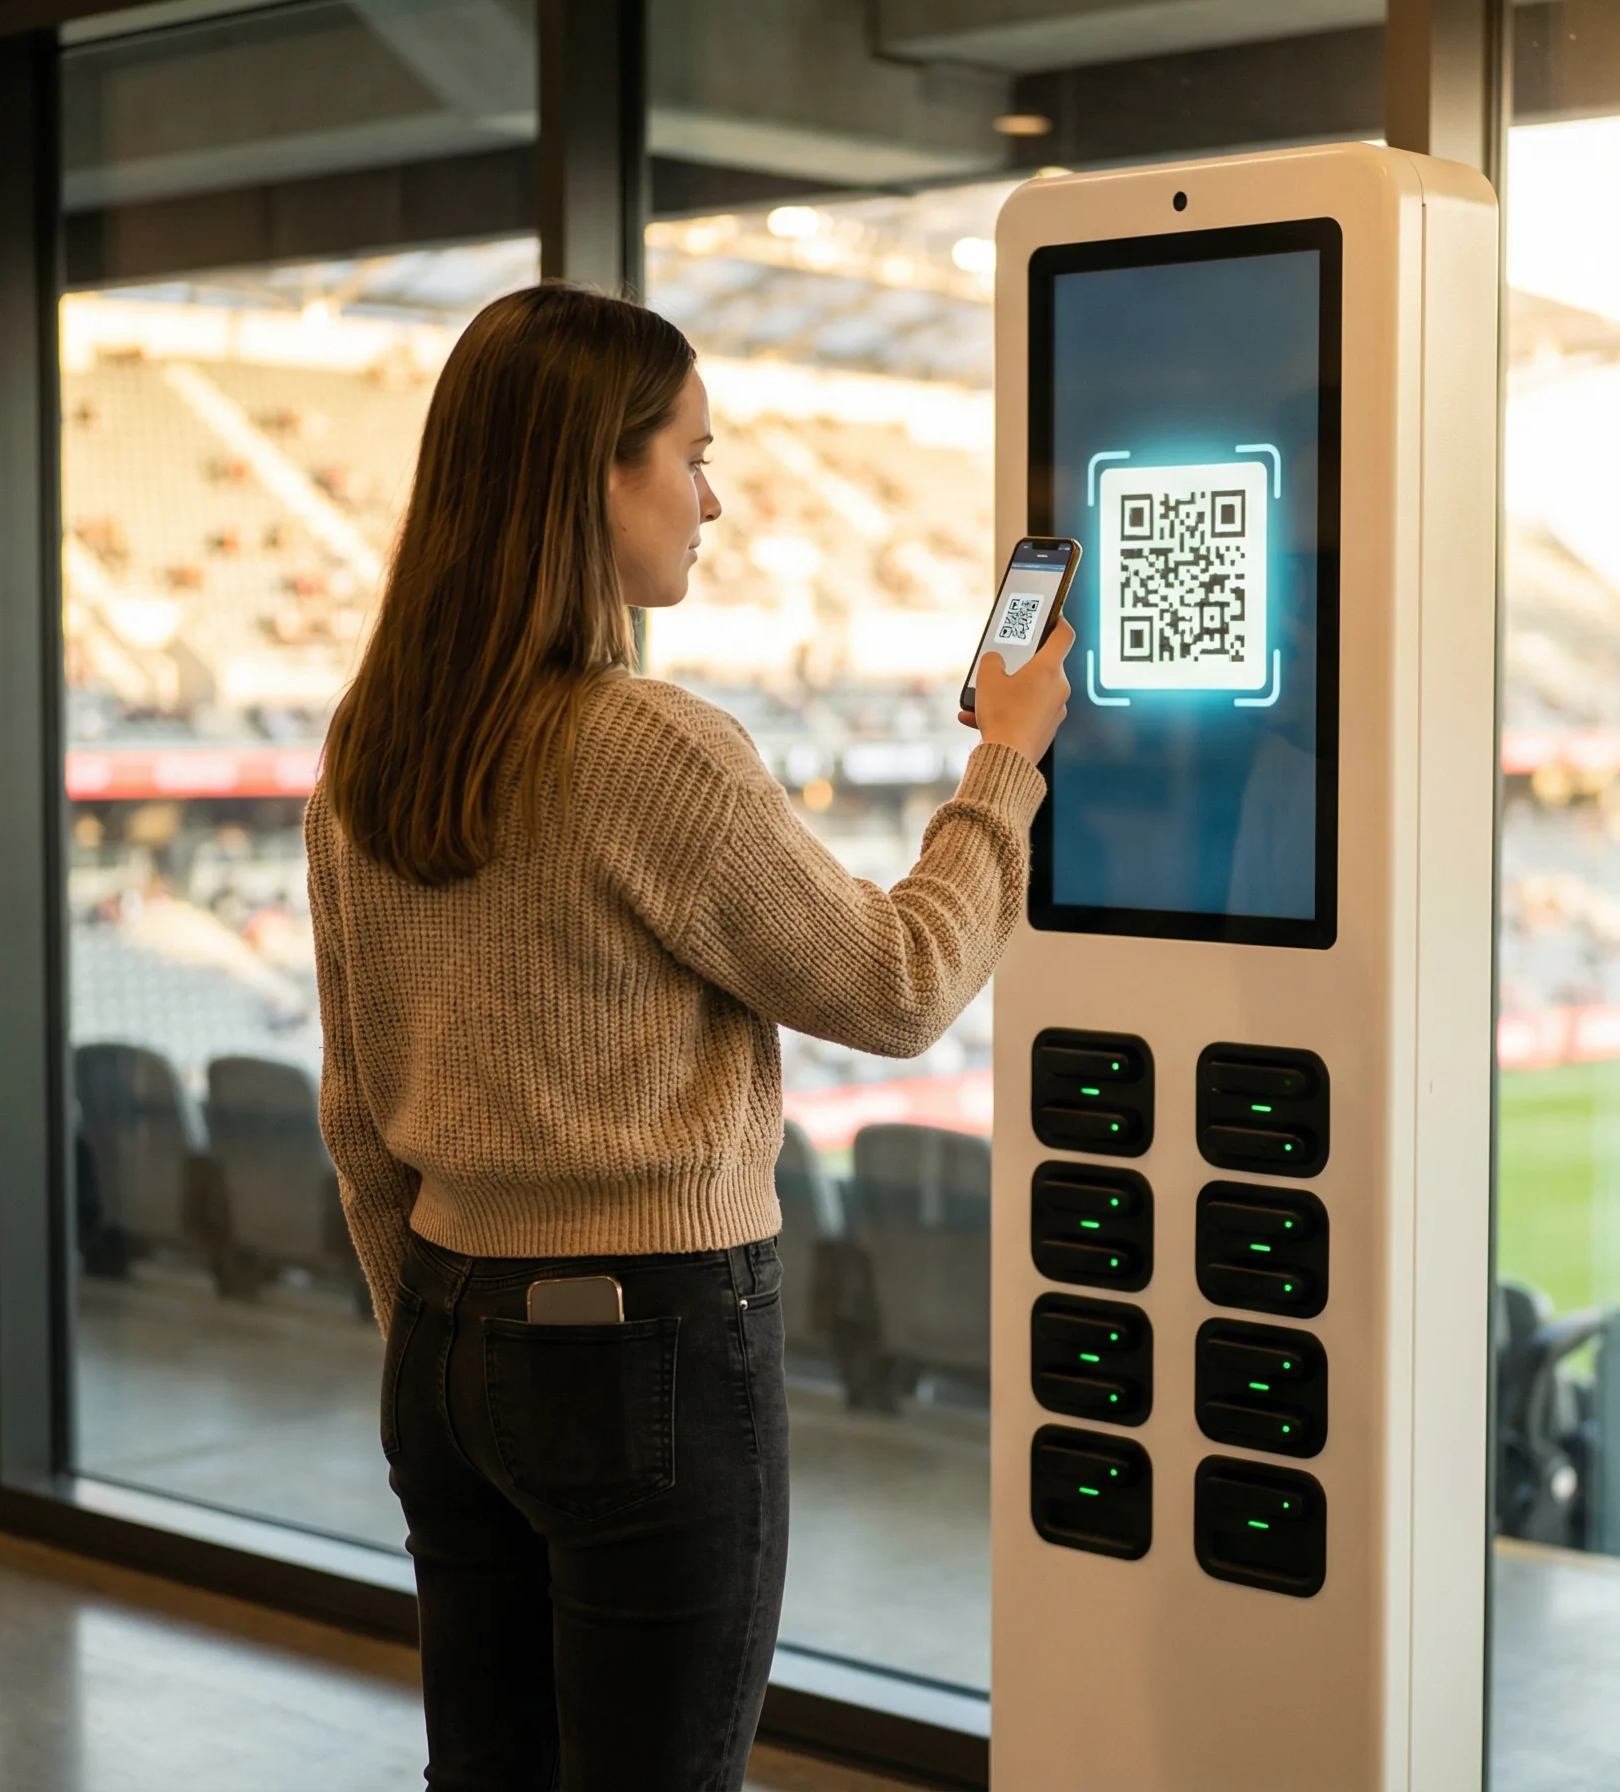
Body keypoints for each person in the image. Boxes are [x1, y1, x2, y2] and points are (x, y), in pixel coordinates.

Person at [307, 283, 1072, 1791]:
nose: (710, 501)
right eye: (691, 456)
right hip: (642, 1344)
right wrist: (1006, 764)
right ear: (596, 470)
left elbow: (353, 1115)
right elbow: (899, 982)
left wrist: (445, 1348)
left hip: (445, 1349)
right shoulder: (650, 748)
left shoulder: (368, 748)